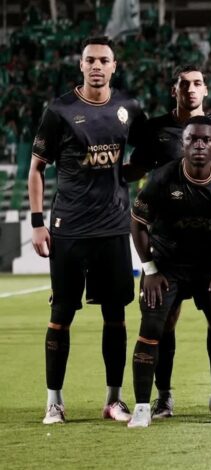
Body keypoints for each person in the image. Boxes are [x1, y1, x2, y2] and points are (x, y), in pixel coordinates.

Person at [29, 36, 146, 425]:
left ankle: (114, 400)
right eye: (90, 60)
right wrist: (37, 223)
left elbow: (146, 154)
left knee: (116, 316)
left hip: (113, 228)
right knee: (61, 315)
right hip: (69, 230)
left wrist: (127, 176)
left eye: (104, 60)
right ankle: (54, 402)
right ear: (81, 65)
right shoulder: (59, 110)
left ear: (114, 66)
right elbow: (36, 168)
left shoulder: (129, 108)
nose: (97, 66)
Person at [127, 117, 211, 427]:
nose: (199, 145)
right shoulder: (161, 178)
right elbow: (138, 223)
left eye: (205, 140)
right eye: (192, 139)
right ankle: (142, 408)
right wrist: (149, 269)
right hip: (166, 266)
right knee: (152, 327)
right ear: (182, 144)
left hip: (209, 267)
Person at [124, 63, 211, 419]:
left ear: (206, 89)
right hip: (167, 248)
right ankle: (164, 395)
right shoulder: (155, 130)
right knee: (163, 320)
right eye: (184, 84)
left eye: (197, 83)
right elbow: (136, 169)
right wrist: (98, 173)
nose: (191, 89)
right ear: (175, 90)